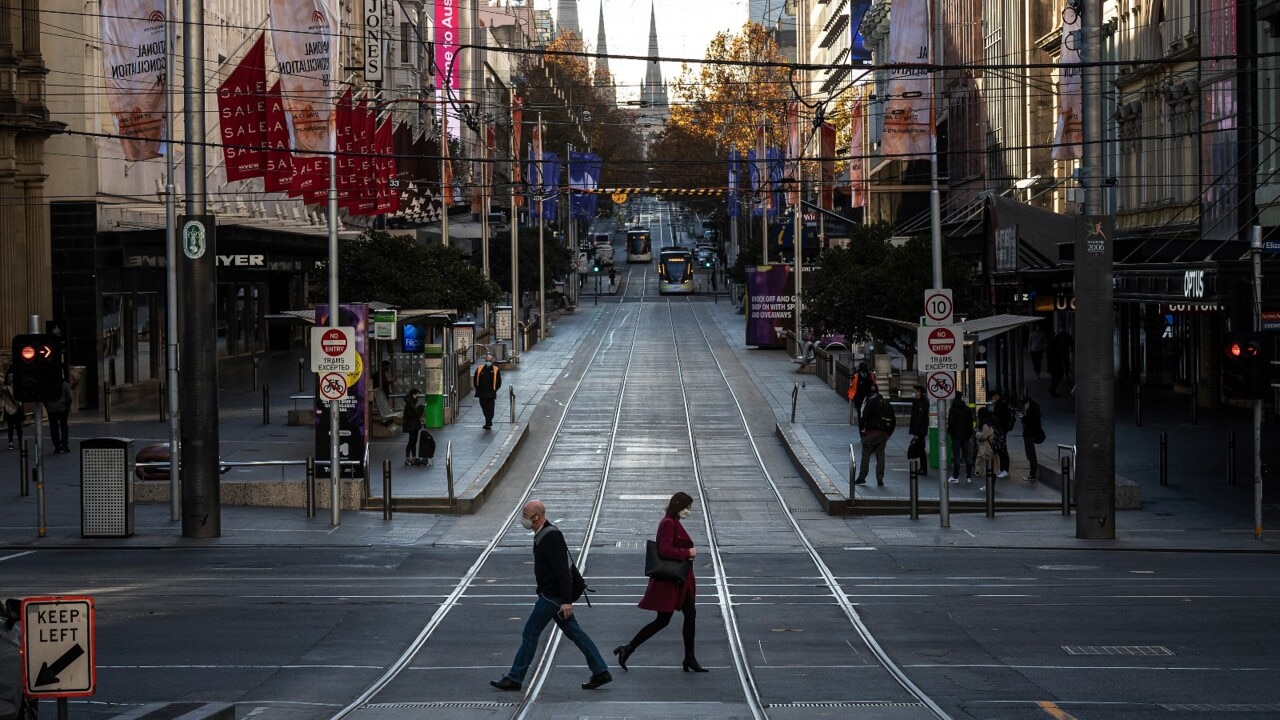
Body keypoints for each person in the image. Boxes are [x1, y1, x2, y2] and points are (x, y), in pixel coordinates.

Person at [491, 499, 611, 692]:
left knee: (530, 633)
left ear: (536, 517)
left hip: (552, 597)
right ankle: (600, 670)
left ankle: (515, 678)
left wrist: (566, 601)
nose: (523, 519)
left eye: (526, 516)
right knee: (576, 633)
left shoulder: (550, 537)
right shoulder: (543, 534)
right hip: (552, 595)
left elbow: (564, 572)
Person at [614, 492, 706, 673]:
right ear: (678, 506)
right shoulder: (668, 523)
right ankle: (628, 648)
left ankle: (689, 657)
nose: (689, 511)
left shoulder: (673, 522)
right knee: (664, 620)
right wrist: (687, 553)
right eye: (687, 508)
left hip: (680, 580)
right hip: (671, 581)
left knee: (689, 614)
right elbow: (665, 550)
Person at [855, 386, 893, 486]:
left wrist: (862, 430)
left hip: (870, 433)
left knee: (866, 455)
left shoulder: (870, 402)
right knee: (880, 455)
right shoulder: (886, 403)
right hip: (883, 434)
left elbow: (864, 418)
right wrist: (889, 433)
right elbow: (893, 420)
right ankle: (880, 478)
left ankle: (862, 477)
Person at [946, 395, 975, 483]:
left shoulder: (952, 410)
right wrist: (969, 434)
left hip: (956, 437)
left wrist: (951, 433)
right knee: (967, 456)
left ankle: (956, 476)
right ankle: (969, 476)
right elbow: (971, 423)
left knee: (956, 457)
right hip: (966, 436)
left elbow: (951, 424)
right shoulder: (967, 409)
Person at [1020, 394, 1046, 481]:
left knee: (1031, 455)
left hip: (1029, 435)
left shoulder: (1031, 411)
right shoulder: (1035, 407)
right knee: (1031, 455)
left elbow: (1028, 421)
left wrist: (1023, 418)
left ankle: (1032, 474)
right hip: (1032, 434)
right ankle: (1032, 473)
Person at [988, 389, 1013, 479]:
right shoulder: (1002, 403)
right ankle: (1002, 469)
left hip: (1001, 429)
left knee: (1002, 449)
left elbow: (1001, 417)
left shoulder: (1001, 404)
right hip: (1001, 429)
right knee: (1001, 449)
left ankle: (1005, 469)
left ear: (996, 396)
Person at [44, 377, 72, 454]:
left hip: (51, 409)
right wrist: (68, 407)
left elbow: (44, 397)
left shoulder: (48, 385)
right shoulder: (65, 384)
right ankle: (65, 445)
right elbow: (69, 397)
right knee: (64, 427)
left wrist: (47, 407)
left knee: (53, 428)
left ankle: (57, 446)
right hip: (63, 408)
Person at [975, 407, 1001, 487]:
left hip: (987, 449)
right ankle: (989, 485)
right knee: (992, 469)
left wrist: (977, 433)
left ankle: (989, 486)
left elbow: (984, 436)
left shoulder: (985, 425)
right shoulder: (991, 423)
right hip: (992, 448)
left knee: (989, 468)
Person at [474, 353, 502, 430]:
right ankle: (488, 421)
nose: (488, 362)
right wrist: (478, 388)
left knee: (490, 408)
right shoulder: (480, 368)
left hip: (490, 393)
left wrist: (494, 389)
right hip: (481, 393)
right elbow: (475, 379)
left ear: (492, 361)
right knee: (484, 407)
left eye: (489, 361)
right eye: (486, 360)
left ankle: (488, 422)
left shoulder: (496, 370)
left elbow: (499, 382)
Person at [907, 385, 930, 476]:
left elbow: (919, 419)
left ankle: (923, 468)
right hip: (920, 431)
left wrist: (916, 432)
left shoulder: (921, 404)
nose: (914, 393)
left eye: (915, 391)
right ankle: (922, 467)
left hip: (920, 431)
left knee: (921, 449)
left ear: (919, 392)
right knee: (920, 449)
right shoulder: (918, 402)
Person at [402, 388, 427, 466]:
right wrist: (421, 407)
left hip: (414, 425)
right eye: (417, 394)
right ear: (413, 394)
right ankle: (408, 458)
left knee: (414, 442)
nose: (418, 396)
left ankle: (413, 457)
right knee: (411, 441)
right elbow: (415, 414)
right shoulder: (410, 403)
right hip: (411, 425)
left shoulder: (411, 402)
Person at [2, 368, 22, 450]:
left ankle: (11, 443)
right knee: (19, 428)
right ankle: (20, 442)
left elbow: (3, 399)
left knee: (10, 428)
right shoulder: (18, 388)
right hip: (17, 409)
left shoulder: (4, 389)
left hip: (8, 410)